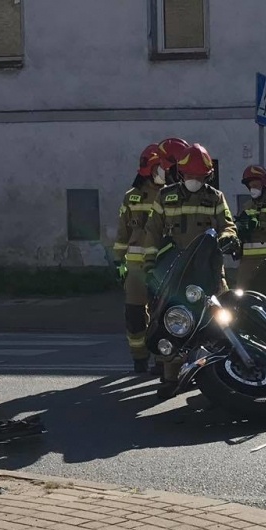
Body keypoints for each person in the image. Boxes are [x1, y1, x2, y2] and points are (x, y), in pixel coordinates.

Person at [148, 142, 239, 391]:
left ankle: (221, 373)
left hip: (209, 269)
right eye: (190, 175)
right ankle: (169, 378)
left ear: (207, 175)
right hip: (175, 271)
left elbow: (227, 225)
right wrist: (149, 265)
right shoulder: (165, 197)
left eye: (199, 176)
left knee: (221, 318)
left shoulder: (215, 197)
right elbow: (152, 233)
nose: (194, 180)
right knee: (174, 320)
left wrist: (228, 237)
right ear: (181, 173)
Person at [112, 143, 167, 373]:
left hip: (163, 263)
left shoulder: (171, 195)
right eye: (160, 168)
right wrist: (118, 261)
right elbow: (123, 232)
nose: (164, 172)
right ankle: (139, 357)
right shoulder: (131, 197)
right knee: (134, 313)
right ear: (151, 169)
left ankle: (162, 359)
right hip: (135, 264)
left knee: (162, 313)